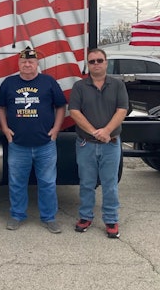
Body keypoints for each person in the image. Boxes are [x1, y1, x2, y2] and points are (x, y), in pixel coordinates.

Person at [0, 47, 66, 233]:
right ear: (18, 64)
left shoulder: (49, 82)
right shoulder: (9, 83)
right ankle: (17, 215)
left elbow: (61, 106)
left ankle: (49, 218)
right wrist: (5, 129)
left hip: (46, 144)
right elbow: (1, 107)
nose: (27, 65)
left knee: (48, 183)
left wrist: (56, 129)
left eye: (31, 62)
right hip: (18, 144)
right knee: (17, 182)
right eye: (23, 62)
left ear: (37, 64)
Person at [69, 48, 128, 238]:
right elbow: (75, 112)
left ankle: (111, 220)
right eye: (92, 61)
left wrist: (107, 131)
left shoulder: (118, 85)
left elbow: (122, 110)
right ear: (88, 64)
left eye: (99, 60)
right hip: (86, 143)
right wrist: (95, 132)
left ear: (106, 62)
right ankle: (85, 217)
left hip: (110, 143)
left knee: (110, 183)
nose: (96, 64)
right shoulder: (79, 86)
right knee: (86, 183)